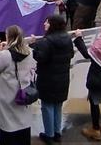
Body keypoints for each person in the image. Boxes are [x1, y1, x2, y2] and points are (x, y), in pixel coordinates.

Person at [0, 25, 36, 145]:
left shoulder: (6, 55)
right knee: (23, 124)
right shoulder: (29, 51)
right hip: (23, 92)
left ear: (9, 37)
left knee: (8, 128)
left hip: (7, 94)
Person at [31, 15, 73, 145]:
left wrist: (34, 47)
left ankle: (48, 134)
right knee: (58, 106)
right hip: (63, 78)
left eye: (47, 22)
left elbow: (40, 58)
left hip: (47, 79)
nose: (44, 24)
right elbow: (71, 54)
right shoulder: (67, 39)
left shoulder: (46, 41)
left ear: (52, 25)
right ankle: (57, 132)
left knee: (47, 106)